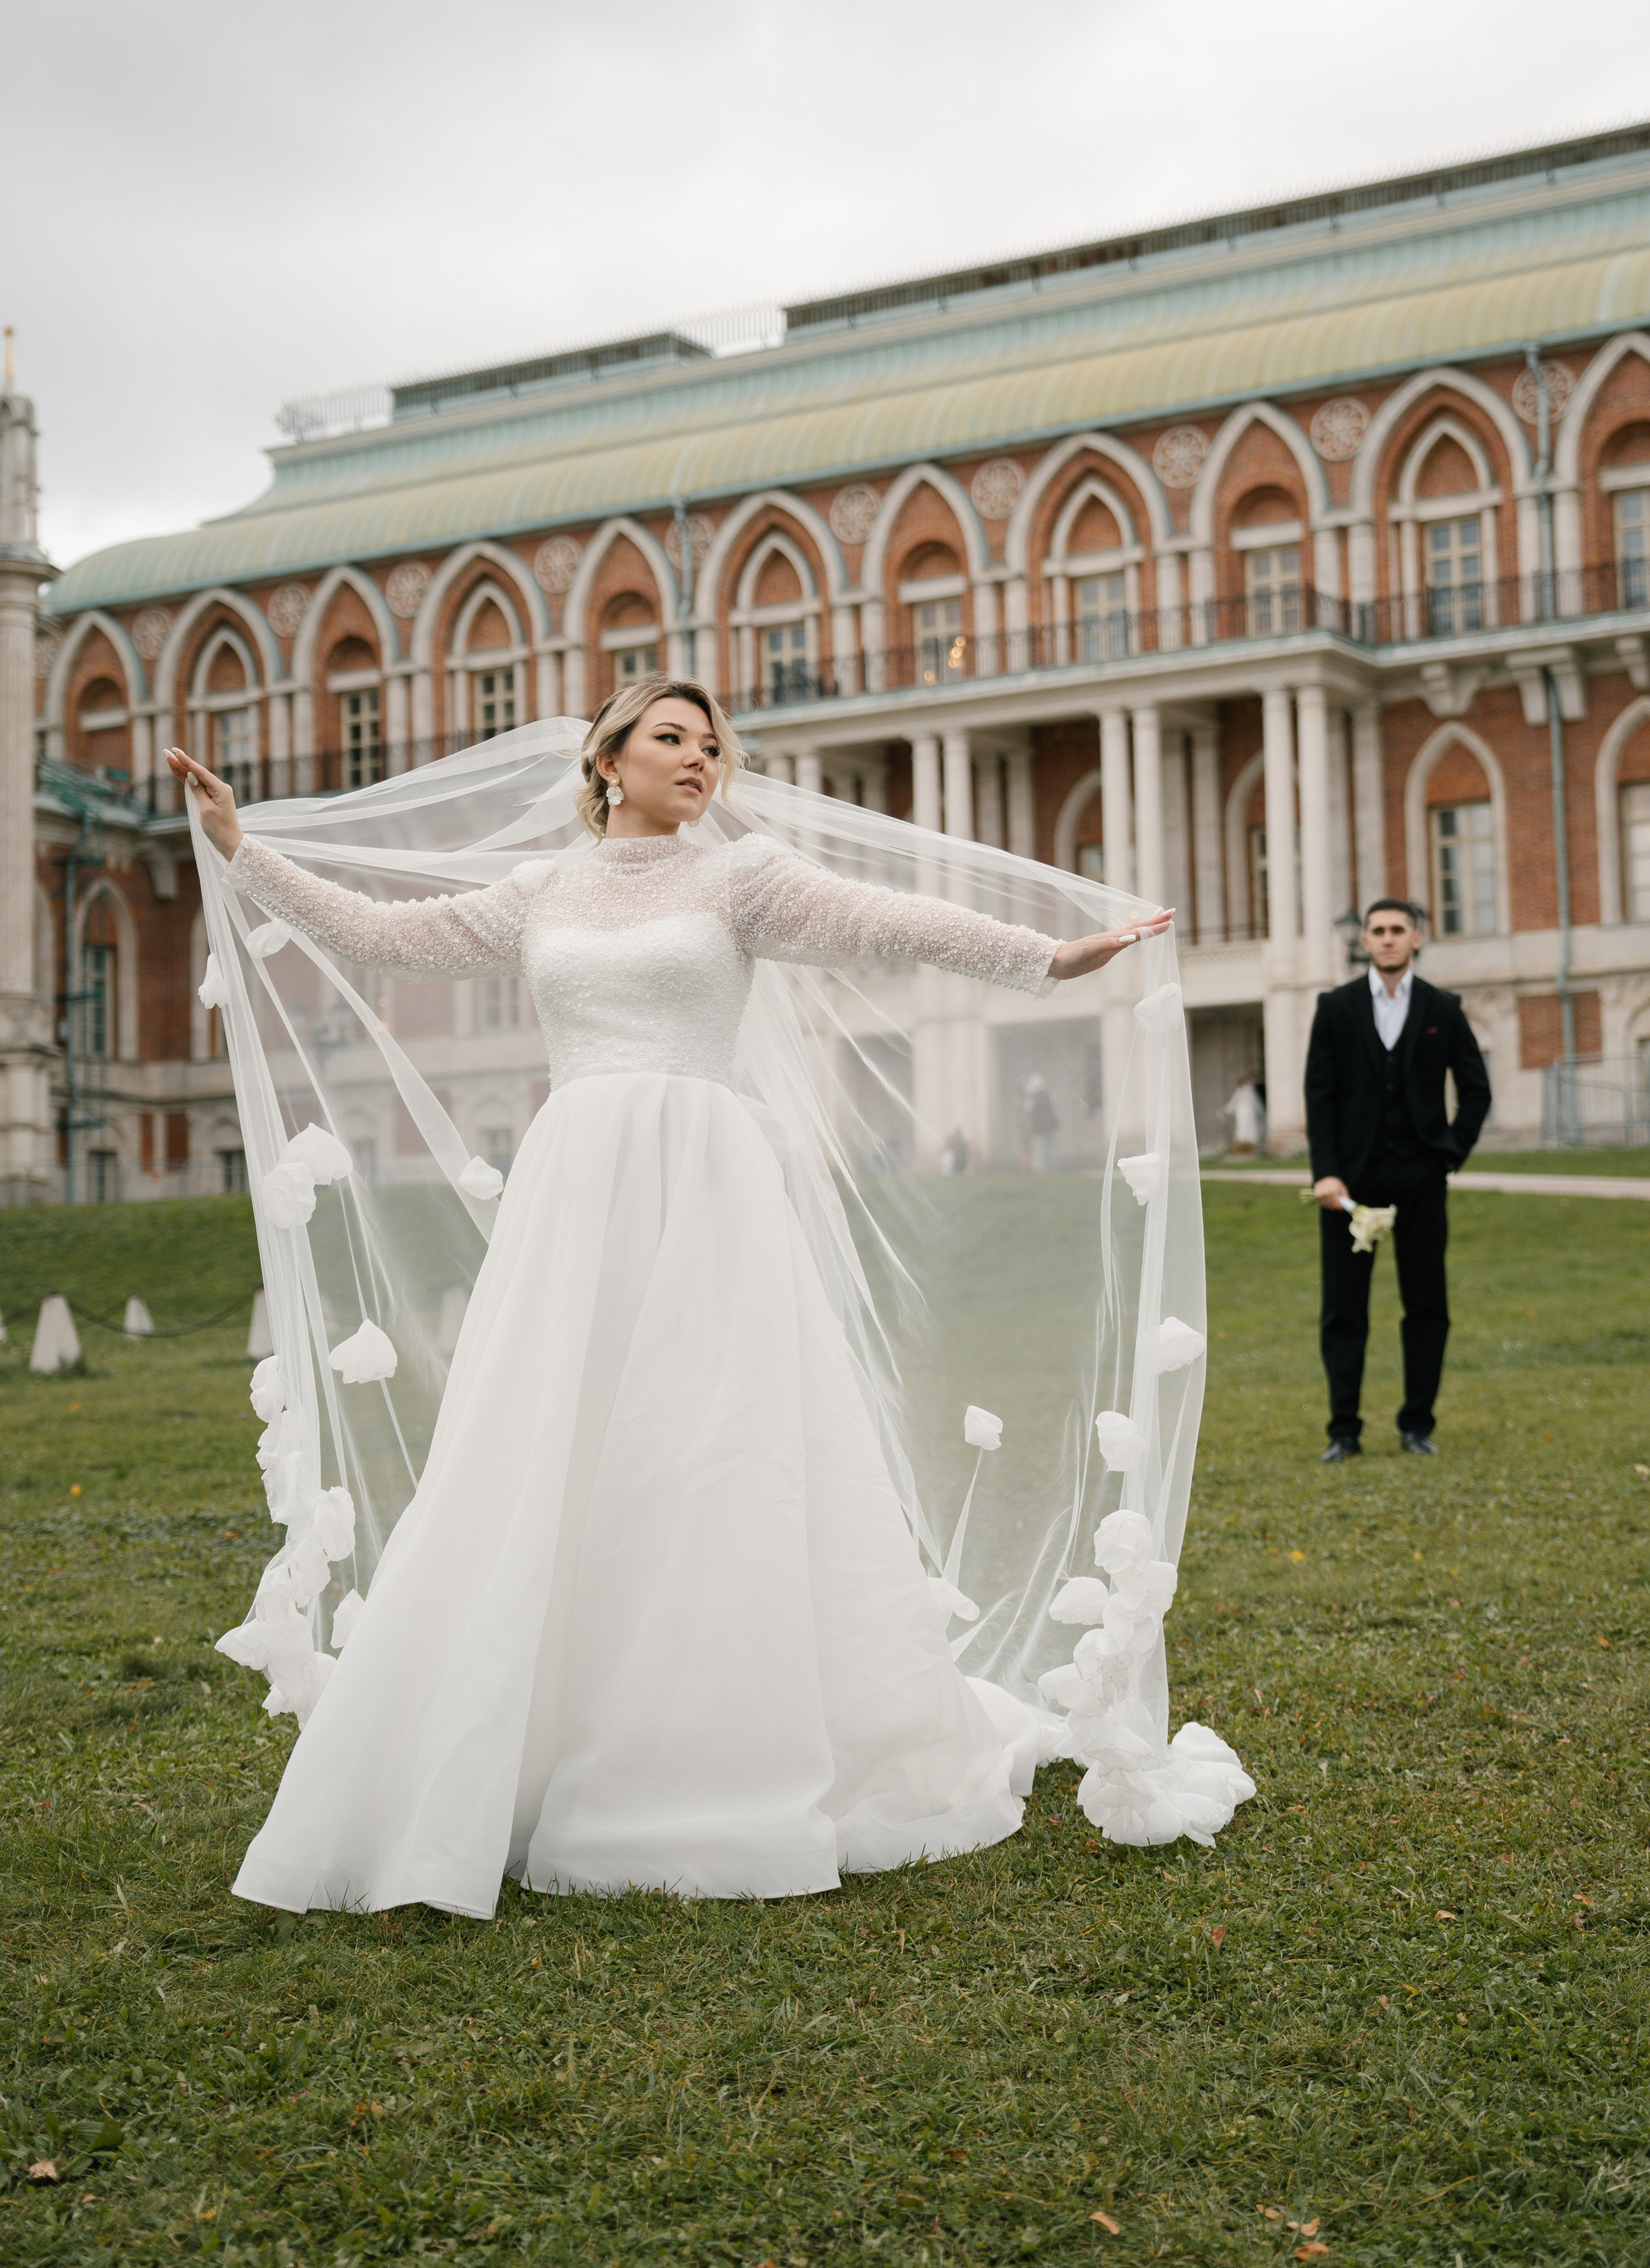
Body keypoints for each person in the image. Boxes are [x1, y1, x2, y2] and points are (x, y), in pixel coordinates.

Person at [164, 685, 1245, 1916]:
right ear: (608, 762)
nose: (700, 758)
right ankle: (527, 1734)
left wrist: (1042, 958)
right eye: (671, 738)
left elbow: (886, 920)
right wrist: (243, 850)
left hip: (707, 1190)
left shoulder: (741, 880)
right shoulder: (540, 892)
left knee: (709, 1443)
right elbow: (381, 935)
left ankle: (715, 1743)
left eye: (712, 744)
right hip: (576, 1194)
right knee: (549, 1442)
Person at [1304, 898, 1490, 1463]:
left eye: (1397, 930)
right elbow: (1319, 1095)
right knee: (1343, 1309)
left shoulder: (1443, 1008)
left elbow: (1476, 1090)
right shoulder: (1335, 1007)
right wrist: (1326, 1172)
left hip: (1420, 1177)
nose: (1387, 939)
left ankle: (1417, 1425)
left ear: (1416, 939)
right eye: (1378, 931)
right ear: (1365, 941)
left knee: (1427, 1304)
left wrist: (1448, 1155)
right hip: (1349, 1183)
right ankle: (1344, 1432)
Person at [1021, 1073, 1059, 1171]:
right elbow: (1053, 1110)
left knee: (1039, 1147)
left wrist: (1029, 1122)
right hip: (1049, 1125)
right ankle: (1051, 1166)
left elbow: (1029, 1112)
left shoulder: (1031, 1098)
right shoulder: (1049, 1096)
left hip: (1038, 1126)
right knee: (1049, 1147)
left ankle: (1041, 1168)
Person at [1221, 1075, 1265, 1154]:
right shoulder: (1238, 1092)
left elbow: (1254, 1104)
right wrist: (1225, 1111)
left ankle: (1250, 1145)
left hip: (1248, 1113)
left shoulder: (1249, 1091)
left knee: (1249, 1127)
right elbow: (1233, 1103)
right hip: (1240, 1113)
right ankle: (1242, 1144)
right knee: (1241, 1127)